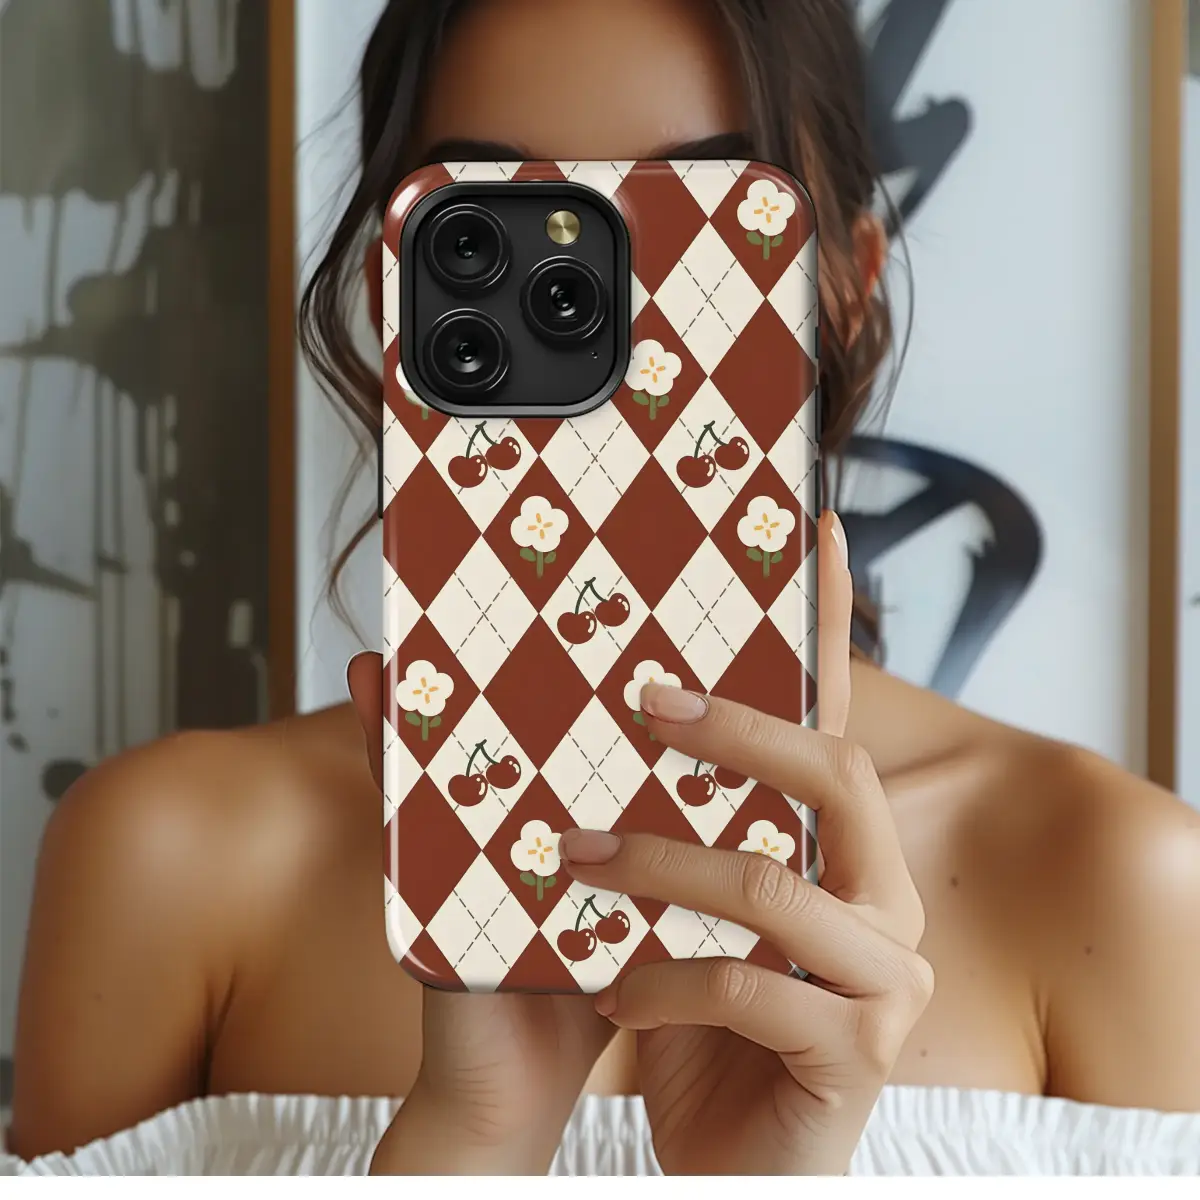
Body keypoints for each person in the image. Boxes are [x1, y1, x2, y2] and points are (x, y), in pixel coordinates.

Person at [7, 0, 1200, 1177]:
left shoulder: (1115, 882)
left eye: (701, 223)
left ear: (848, 287)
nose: (612, 311)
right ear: (392, 291)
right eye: (492, 226)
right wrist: (474, 1141)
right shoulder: (169, 862)